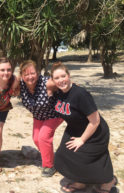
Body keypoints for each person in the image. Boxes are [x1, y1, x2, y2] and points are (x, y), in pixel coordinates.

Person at [50, 62, 117, 193]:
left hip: (96, 131)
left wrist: (82, 140)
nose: (60, 80)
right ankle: (81, 182)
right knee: (64, 154)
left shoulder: (80, 94)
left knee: (83, 155)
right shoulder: (58, 93)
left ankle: (109, 181)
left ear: (69, 76)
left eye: (63, 76)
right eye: (56, 78)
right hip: (75, 128)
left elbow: (95, 121)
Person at [15, 60, 63, 177]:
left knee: (43, 137)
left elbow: (64, 82)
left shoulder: (47, 83)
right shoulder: (20, 85)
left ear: (38, 72)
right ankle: (50, 157)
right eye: (26, 74)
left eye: (32, 73)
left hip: (54, 114)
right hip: (38, 116)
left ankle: (49, 166)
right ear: (22, 76)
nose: (30, 77)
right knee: (36, 139)